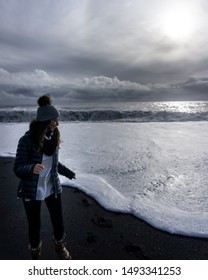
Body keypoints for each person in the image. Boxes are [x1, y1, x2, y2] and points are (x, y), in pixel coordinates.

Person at [13, 95, 76, 260]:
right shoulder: (26, 140)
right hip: (31, 190)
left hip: (52, 186)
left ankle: (60, 246)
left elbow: (54, 164)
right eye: (55, 119)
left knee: (58, 221)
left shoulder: (54, 138)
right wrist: (31, 168)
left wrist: (68, 173)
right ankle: (35, 252)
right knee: (34, 225)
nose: (57, 123)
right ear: (46, 120)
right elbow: (18, 168)